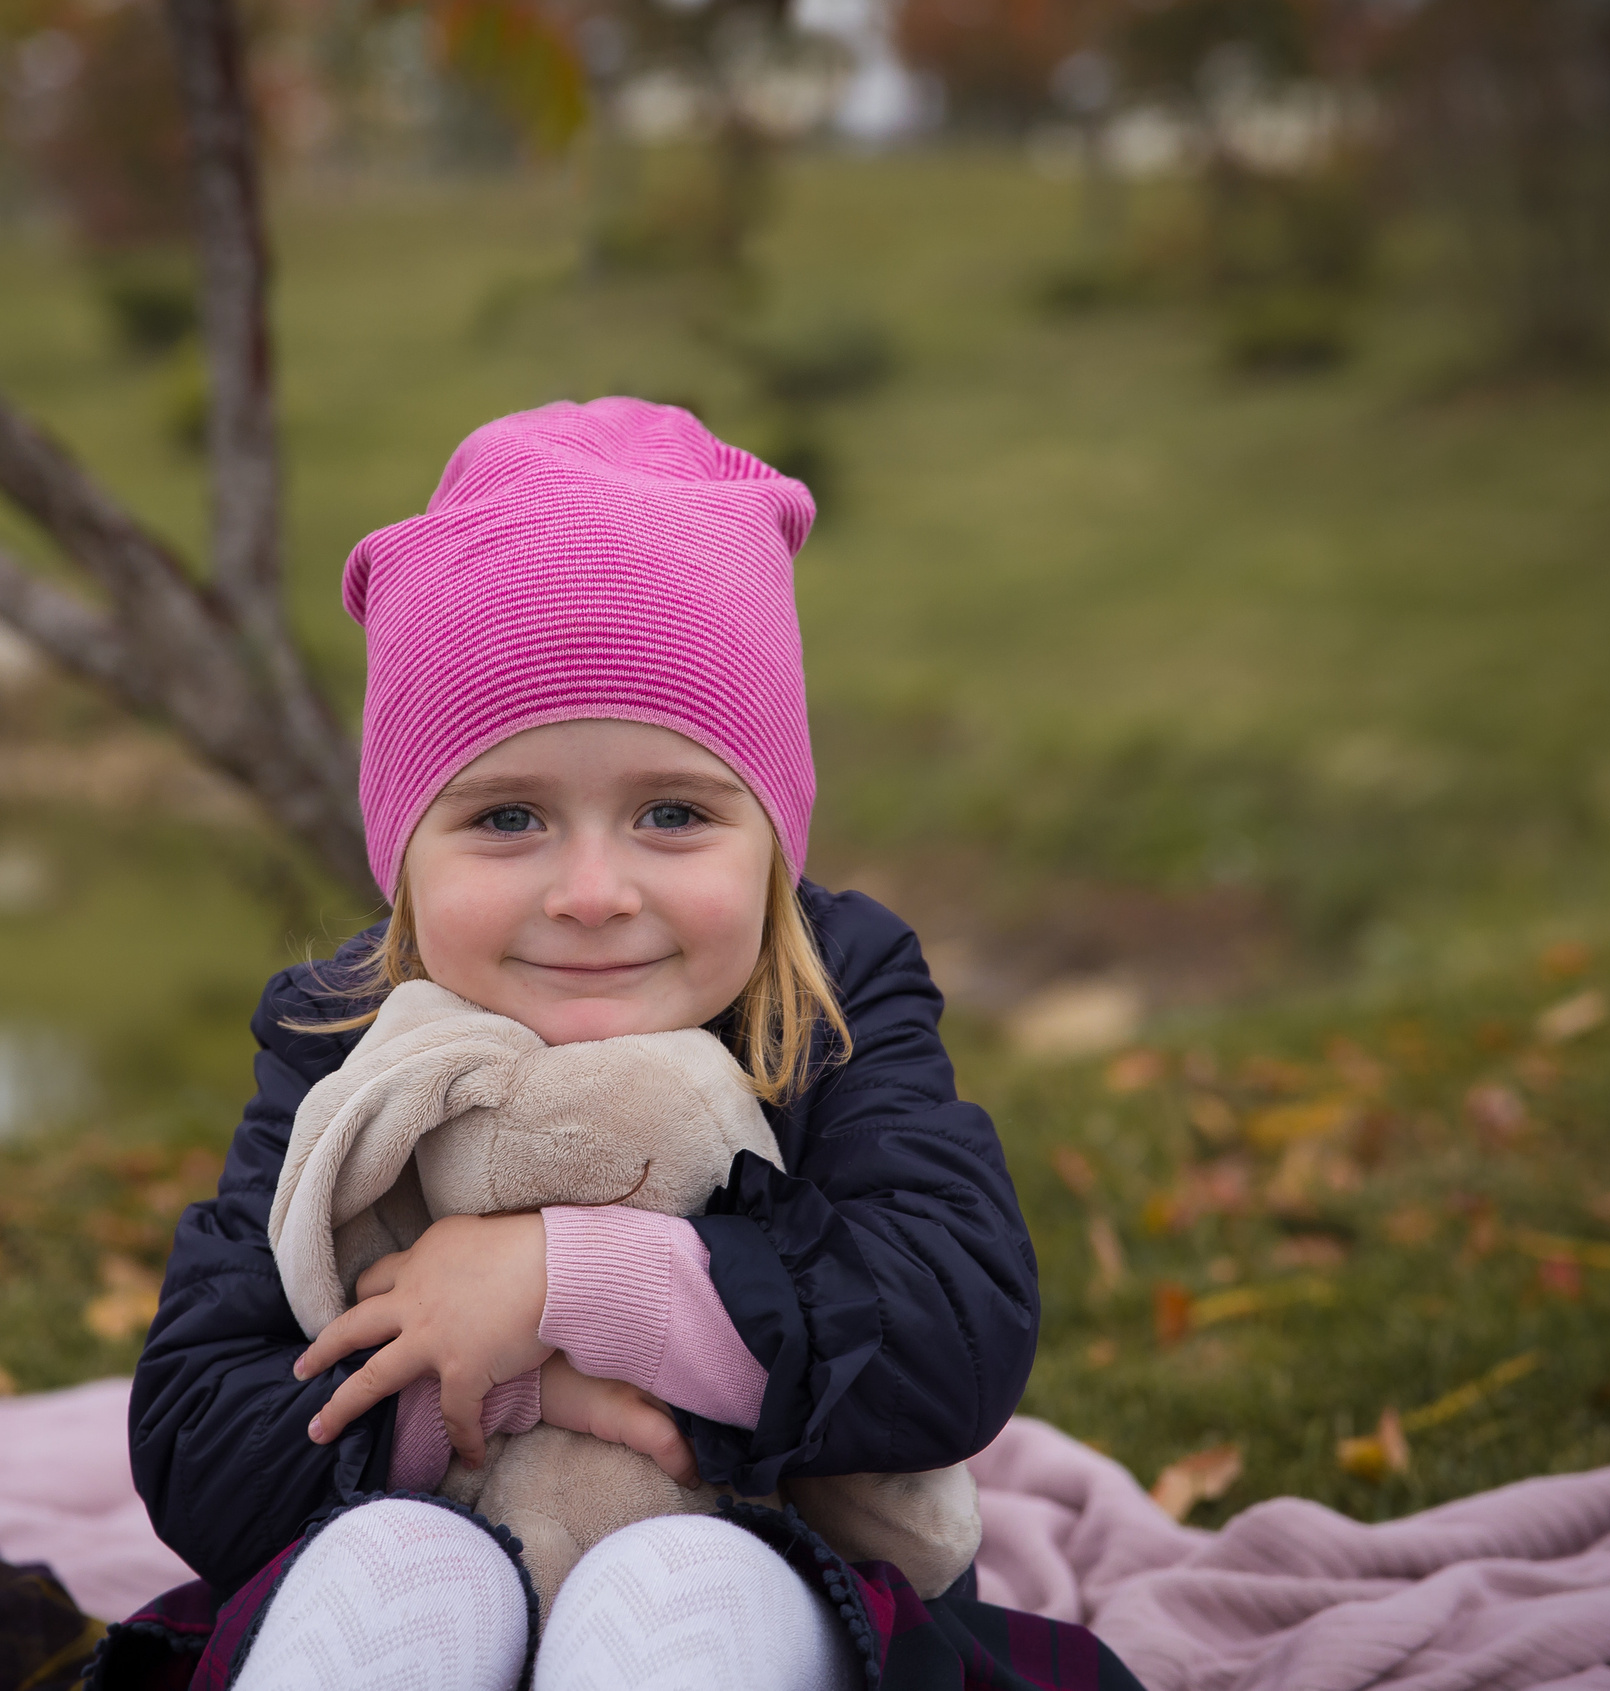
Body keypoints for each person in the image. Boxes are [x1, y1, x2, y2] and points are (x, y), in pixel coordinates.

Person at [126, 399, 1142, 1691]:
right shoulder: (341, 1037)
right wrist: (495, 1385)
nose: (593, 891)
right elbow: (198, 1441)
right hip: (438, 1538)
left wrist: (565, 1283)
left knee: (675, 1592)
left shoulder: (831, 1001)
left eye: (672, 812)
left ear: (773, 834)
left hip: (763, 1568)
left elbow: (952, 1332)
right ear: (401, 855)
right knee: (391, 1576)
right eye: (506, 819)